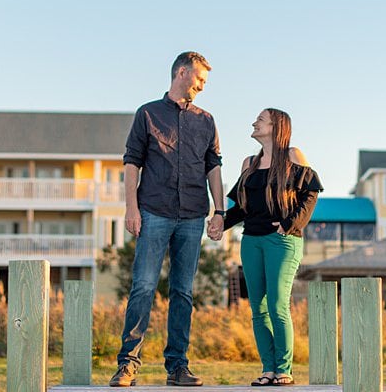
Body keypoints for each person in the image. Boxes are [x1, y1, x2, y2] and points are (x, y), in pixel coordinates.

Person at [110, 51, 226, 388]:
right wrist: (131, 207)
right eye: (200, 79)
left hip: (192, 215)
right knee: (143, 286)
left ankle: (177, 367)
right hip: (153, 212)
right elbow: (132, 162)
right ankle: (128, 364)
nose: (203, 86)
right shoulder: (147, 113)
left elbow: (213, 167)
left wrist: (219, 211)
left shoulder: (207, 121)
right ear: (182, 72)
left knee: (183, 292)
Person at [223, 108, 322, 386]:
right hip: (251, 242)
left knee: (278, 304)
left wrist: (290, 223)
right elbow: (241, 207)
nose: (254, 122)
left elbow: (310, 194)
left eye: (261, 119)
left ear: (277, 126)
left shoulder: (292, 156)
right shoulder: (249, 164)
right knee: (258, 308)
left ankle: (284, 369)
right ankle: (268, 369)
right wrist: (221, 223)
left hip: (282, 240)